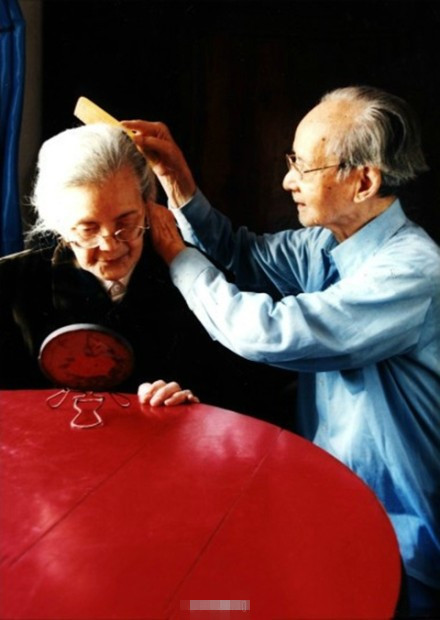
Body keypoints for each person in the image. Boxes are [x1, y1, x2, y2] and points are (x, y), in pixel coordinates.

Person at [123, 85, 440, 617]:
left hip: (403, 540)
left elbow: (270, 334)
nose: (288, 181)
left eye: (303, 167)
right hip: (332, 510)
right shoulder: (326, 243)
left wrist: (178, 257)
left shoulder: (412, 271)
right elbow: (241, 253)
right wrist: (178, 182)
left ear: (364, 181)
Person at [0, 123, 294, 415]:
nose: (110, 246)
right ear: (57, 225)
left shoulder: (200, 281)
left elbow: (245, 395)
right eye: (88, 229)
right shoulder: (11, 284)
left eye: (126, 223)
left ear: (149, 207)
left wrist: (193, 408)